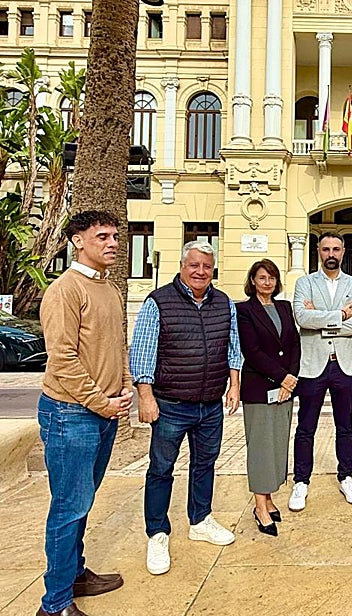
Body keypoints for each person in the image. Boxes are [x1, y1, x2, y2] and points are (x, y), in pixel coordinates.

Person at [37, 210, 133, 616]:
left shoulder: (108, 290)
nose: (112, 243)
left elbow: (115, 345)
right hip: (70, 413)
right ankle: (55, 604)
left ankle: (75, 574)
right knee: (68, 506)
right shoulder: (64, 290)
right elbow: (62, 359)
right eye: (102, 237)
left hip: (103, 411)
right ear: (78, 241)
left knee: (82, 500)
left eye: (114, 236)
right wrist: (102, 402)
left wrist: (125, 385)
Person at [130, 241, 242, 575]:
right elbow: (143, 351)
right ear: (182, 266)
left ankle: (200, 519)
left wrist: (233, 384)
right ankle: (157, 533)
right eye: (194, 265)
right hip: (170, 404)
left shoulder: (223, 303)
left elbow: (232, 346)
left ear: (213, 270)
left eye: (207, 266)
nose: (200, 272)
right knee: (161, 469)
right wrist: (145, 396)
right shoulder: (158, 302)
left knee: (205, 464)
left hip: (209, 405)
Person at [289, 231, 352, 511]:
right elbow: (302, 317)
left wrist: (322, 320)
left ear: (343, 251)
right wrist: (339, 315)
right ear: (318, 252)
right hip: (312, 365)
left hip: (344, 365)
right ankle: (301, 481)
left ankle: (346, 476)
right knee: (306, 425)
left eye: (336, 249)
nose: (331, 254)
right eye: (325, 249)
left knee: (345, 425)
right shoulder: (304, 283)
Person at [235, 259, 301, 536]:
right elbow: (252, 351)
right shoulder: (244, 311)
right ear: (252, 281)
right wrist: (282, 377)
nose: (267, 283)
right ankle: (260, 506)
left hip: (285, 389)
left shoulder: (284, 307)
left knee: (276, 445)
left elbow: (295, 344)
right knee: (261, 448)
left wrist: (291, 379)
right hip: (259, 389)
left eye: (272, 278)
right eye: (261, 278)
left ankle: (270, 496)